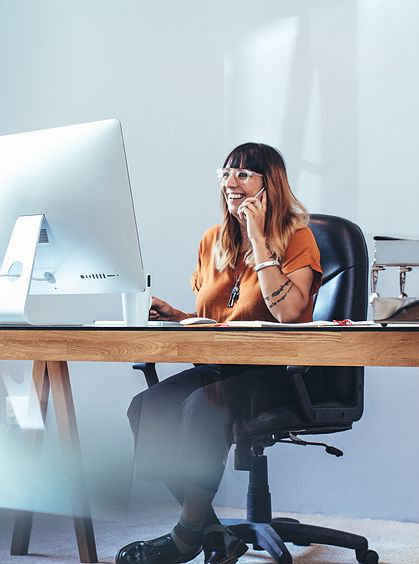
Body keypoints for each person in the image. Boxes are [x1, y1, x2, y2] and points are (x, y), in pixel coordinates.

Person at [116, 143, 323, 564]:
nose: (231, 183)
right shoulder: (212, 241)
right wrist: (178, 317)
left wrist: (259, 239)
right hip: (219, 366)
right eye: (226, 173)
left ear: (272, 185)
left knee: (202, 407)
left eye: (245, 174)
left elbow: (288, 312)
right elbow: (221, 317)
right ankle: (211, 530)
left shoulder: (298, 238)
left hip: (279, 372)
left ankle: (185, 537)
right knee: (146, 408)